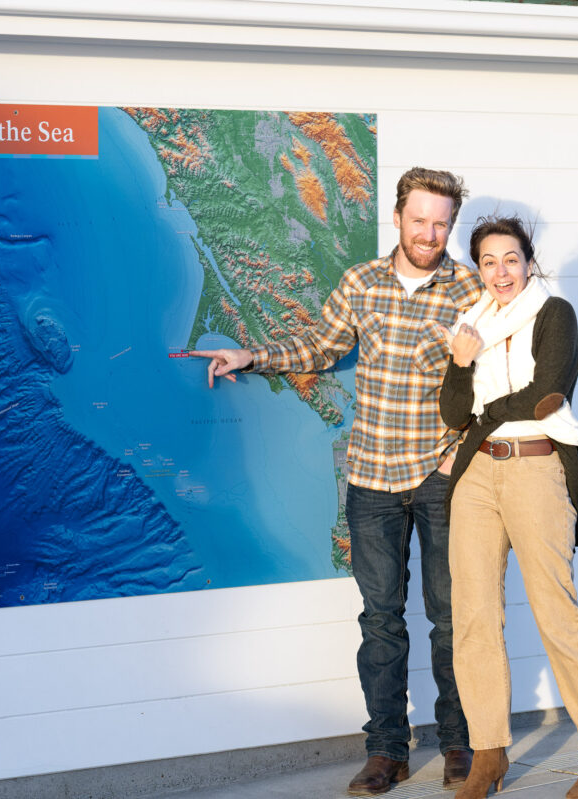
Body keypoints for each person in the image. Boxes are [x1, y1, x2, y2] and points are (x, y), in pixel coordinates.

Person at [193, 167, 482, 795]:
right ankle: (387, 752)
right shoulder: (361, 283)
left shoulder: (471, 289)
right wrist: (253, 355)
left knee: (452, 618)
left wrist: (459, 456)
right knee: (381, 621)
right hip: (372, 480)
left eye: (441, 222)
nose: (429, 232)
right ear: (399, 218)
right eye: (419, 219)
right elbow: (322, 347)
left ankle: (460, 744)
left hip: (441, 480)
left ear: (450, 226)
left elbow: (496, 375)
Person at [438, 216, 578, 799]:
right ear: (479, 268)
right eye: (488, 261)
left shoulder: (554, 312)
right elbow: (451, 413)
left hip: (536, 468)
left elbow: (548, 394)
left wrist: (483, 418)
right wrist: (459, 361)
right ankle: (488, 756)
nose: (500, 272)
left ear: (529, 261)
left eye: (510, 259)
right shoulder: (472, 326)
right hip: (477, 478)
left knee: (555, 612)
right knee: (472, 617)